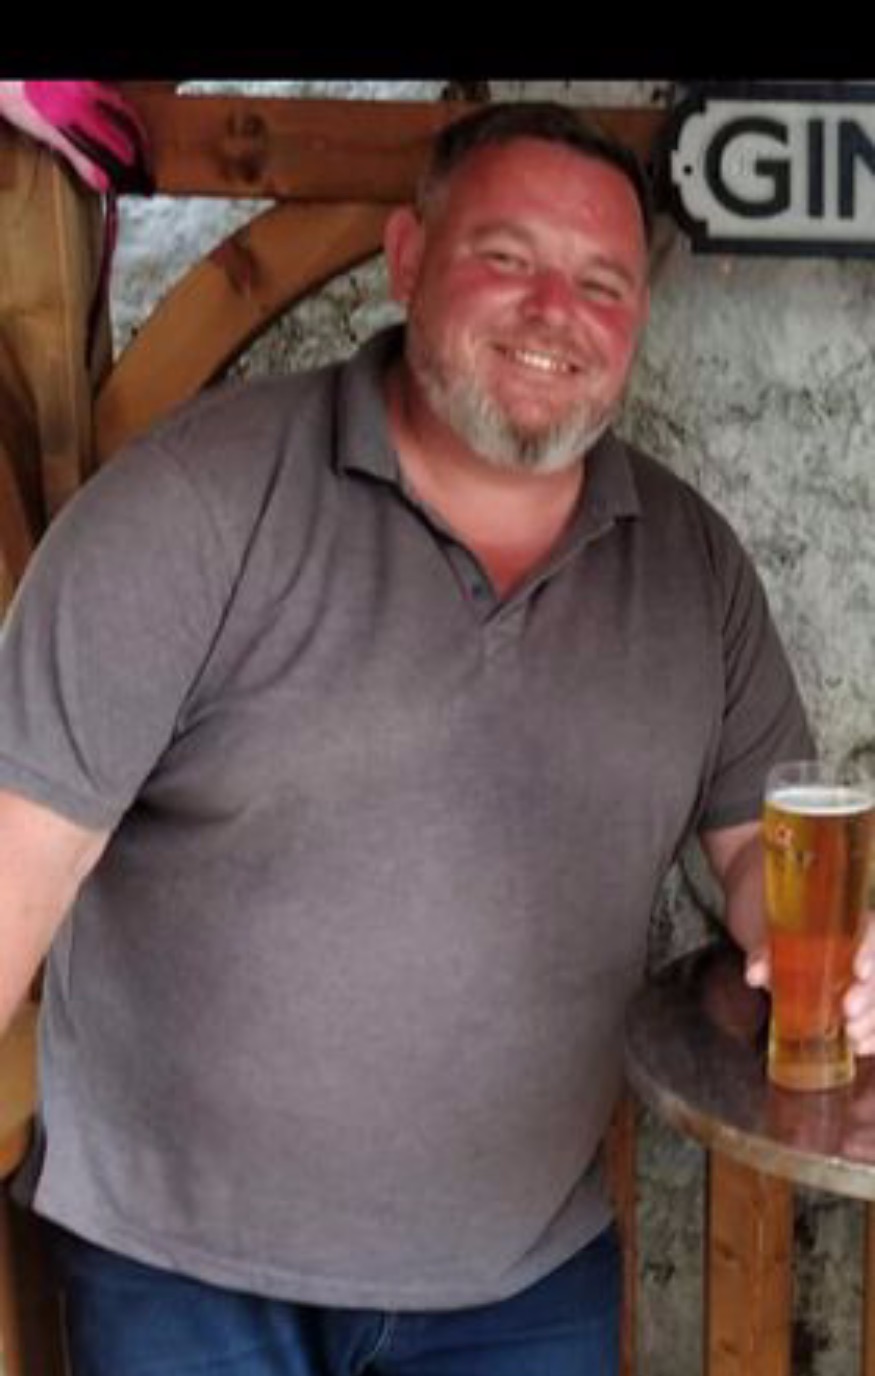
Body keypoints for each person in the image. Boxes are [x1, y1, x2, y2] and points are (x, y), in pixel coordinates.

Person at [0, 100, 871, 1376]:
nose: (553, 314)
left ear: (638, 315)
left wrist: (830, 958)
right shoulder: (190, 508)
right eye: (505, 258)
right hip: (183, 1273)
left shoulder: (691, 567)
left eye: (600, 283)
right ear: (407, 260)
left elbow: (755, 854)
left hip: (517, 1274)